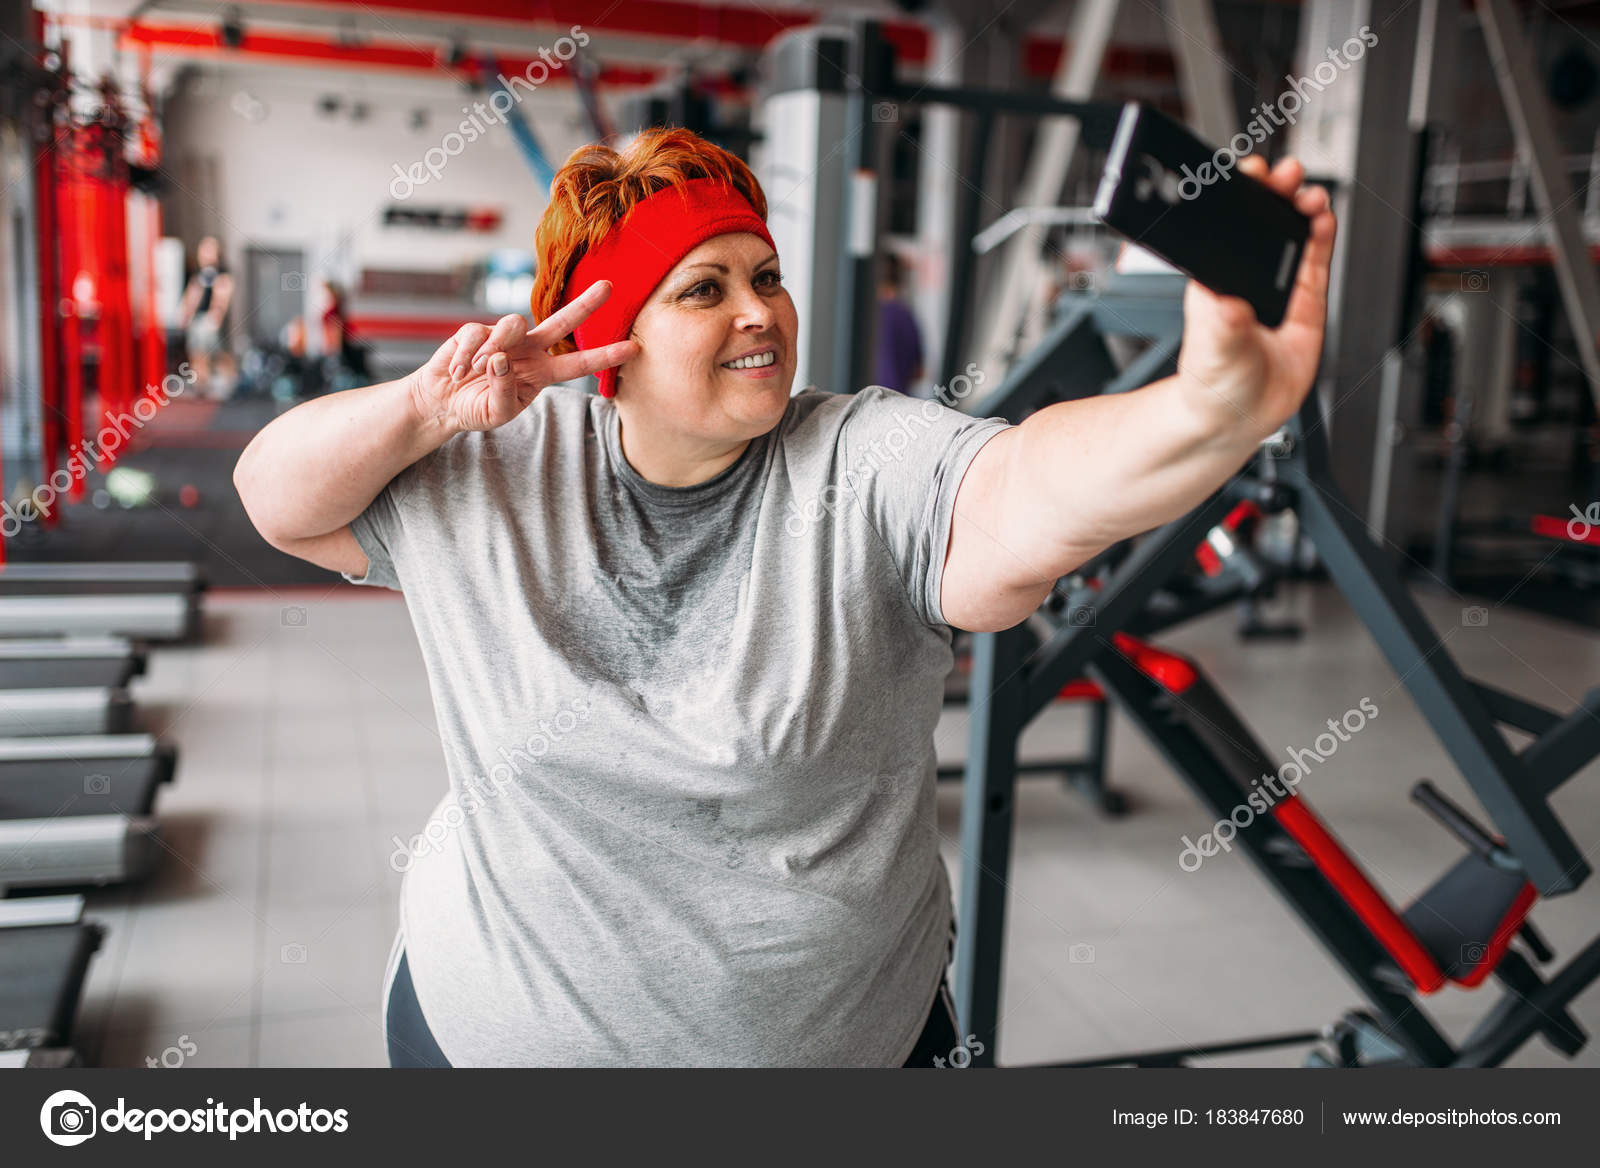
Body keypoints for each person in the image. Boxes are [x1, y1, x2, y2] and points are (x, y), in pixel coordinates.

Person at [232, 128, 1335, 1067]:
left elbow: (1016, 497)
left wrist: (1207, 410)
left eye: (765, 277)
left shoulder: (856, 459)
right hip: (487, 1037)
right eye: (703, 290)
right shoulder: (493, 467)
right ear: (608, 343)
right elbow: (274, 497)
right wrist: (422, 412)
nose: (757, 312)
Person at [177, 236, 235, 400]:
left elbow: (223, 295)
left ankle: (229, 382)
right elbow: (192, 294)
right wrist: (185, 312)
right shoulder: (199, 274)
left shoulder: (221, 273)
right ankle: (201, 384)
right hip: (197, 318)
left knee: (216, 352)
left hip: (210, 320)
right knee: (197, 352)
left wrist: (216, 314)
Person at [875, 253, 924, 395]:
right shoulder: (906, 315)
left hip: (872, 403)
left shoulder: (874, 317)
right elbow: (919, 372)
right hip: (899, 402)